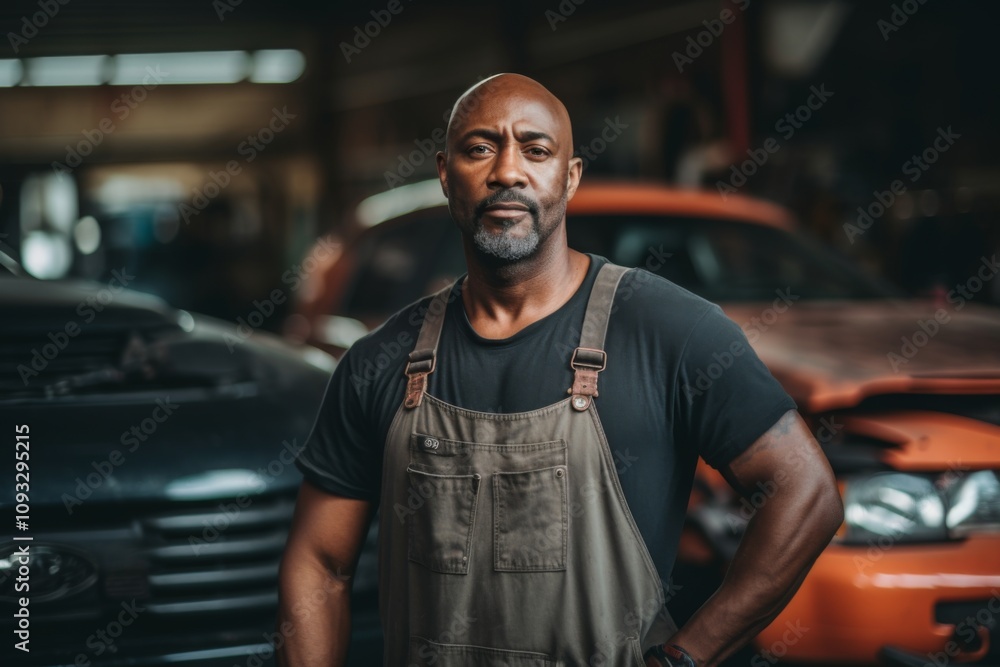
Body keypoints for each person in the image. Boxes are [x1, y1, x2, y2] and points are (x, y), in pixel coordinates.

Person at [277, 73, 843, 667]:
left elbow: (805, 492)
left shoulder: (671, 332)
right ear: (446, 174)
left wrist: (686, 657)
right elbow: (318, 561)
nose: (507, 172)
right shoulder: (379, 363)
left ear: (569, 177)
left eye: (536, 149)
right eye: (479, 149)